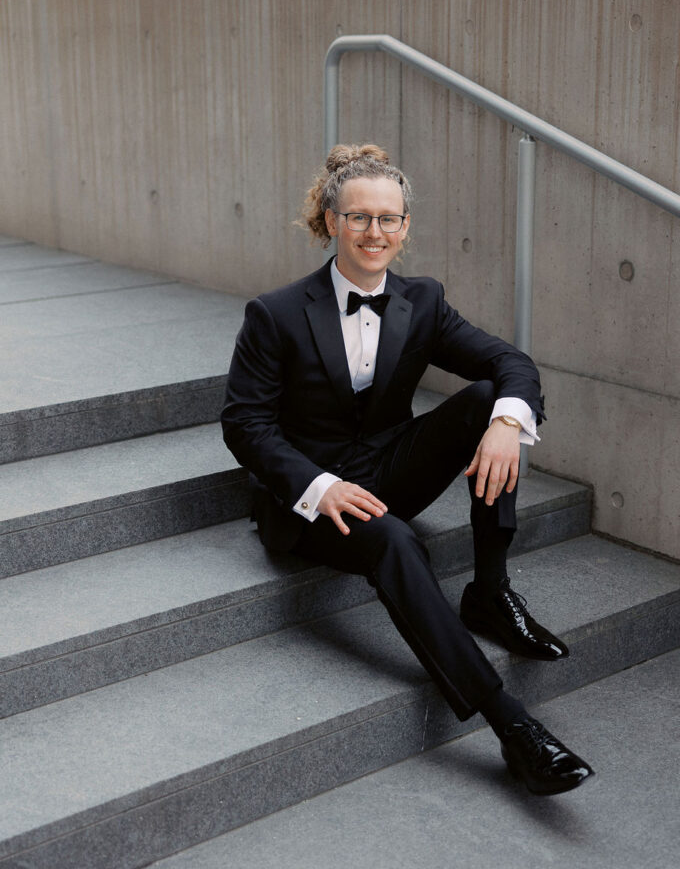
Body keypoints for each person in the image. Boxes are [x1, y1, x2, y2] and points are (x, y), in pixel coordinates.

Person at [221, 143, 593, 795]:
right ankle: (513, 728)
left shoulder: (421, 300)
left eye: (389, 219)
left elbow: (511, 363)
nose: (375, 232)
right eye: (360, 217)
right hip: (311, 498)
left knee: (487, 401)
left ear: (406, 227)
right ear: (332, 221)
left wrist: (508, 424)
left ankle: (489, 592)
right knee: (393, 539)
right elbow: (244, 424)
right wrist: (318, 485)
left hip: (387, 469)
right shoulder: (275, 313)